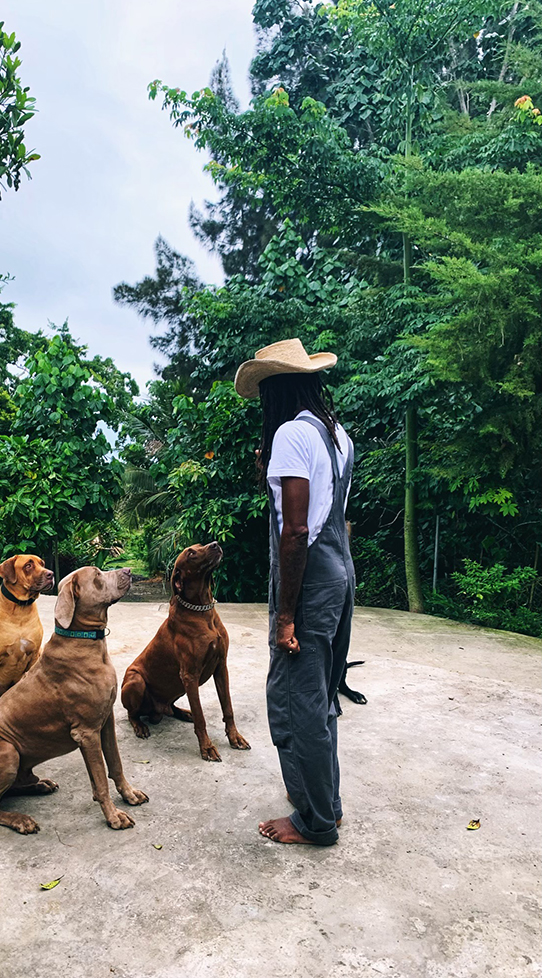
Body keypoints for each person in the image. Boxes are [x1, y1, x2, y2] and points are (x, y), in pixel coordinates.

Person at [234, 339, 354, 846]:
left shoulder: (288, 434)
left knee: (293, 700)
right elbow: (332, 510)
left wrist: (286, 616)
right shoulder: (335, 433)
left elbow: (296, 530)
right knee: (321, 694)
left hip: (306, 582)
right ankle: (325, 800)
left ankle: (316, 821)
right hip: (338, 575)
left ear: (276, 390)